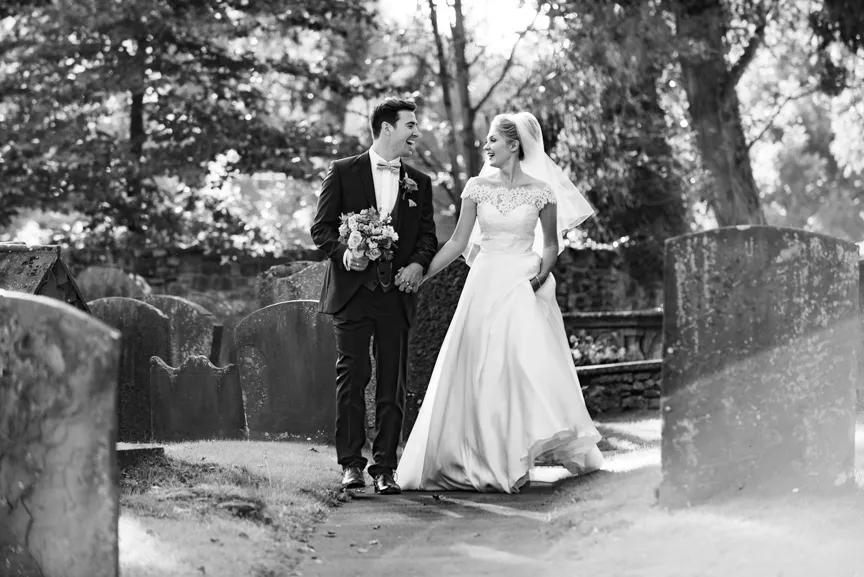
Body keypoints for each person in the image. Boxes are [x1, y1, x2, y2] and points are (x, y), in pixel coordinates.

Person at [396, 112, 605, 493]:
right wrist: (421, 274)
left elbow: (552, 244)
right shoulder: (476, 187)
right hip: (485, 282)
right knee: (480, 368)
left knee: (520, 366)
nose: (486, 146)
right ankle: (482, 457)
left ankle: (515, 456)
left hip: (522, 283)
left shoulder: (541, 190)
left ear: (514, 144)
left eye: (493, 140)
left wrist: (538, 279)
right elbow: (459, 243)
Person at [311, 98, 438, 495]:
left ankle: (385, 467)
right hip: (352, 293)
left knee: (392, 381)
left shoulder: (420, 181)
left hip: (396, 295)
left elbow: (428, 236)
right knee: (352, 378)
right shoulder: (343, 171)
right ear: (387, 128)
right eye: (410, 125)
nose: (416, 132)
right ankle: (351, 464)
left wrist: (418, 265)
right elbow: (321, 229)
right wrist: (346, 253)